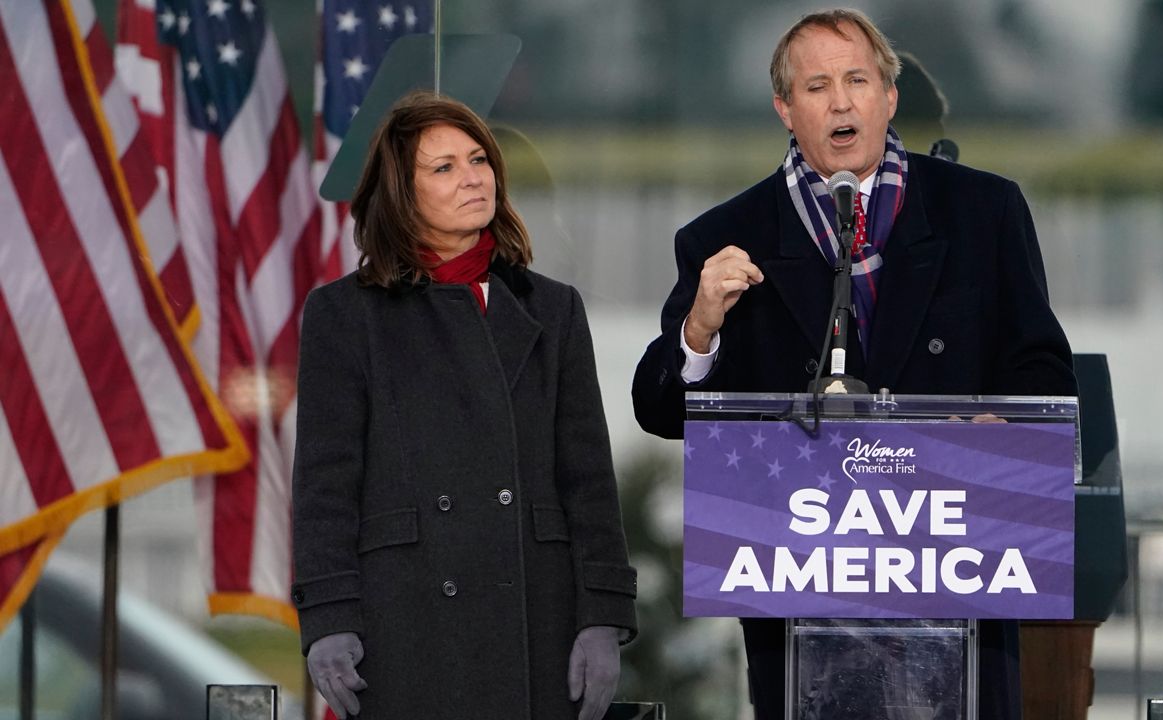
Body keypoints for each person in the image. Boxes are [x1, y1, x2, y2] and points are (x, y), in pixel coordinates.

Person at [631, 9, 1075, 720]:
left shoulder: (982, 211)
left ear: (888, 97)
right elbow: (660, 410)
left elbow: (1044, 372)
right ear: (786, 108)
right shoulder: (724, 237)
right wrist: (700, 326)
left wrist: (1003, 430)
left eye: (857, 80)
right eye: (816, 86)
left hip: (953, 573)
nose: (841, 102)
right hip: (806, 601)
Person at [292, 91, 638, 720]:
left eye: (478, 159)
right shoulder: (344, 316)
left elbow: (588, 479)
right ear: (403, 191)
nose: (473, 177)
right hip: (405, 618)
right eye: (444, 167)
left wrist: (604, 613)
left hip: (538, 613)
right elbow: (324, 484)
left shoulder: (553, 309)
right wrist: (327, 614)